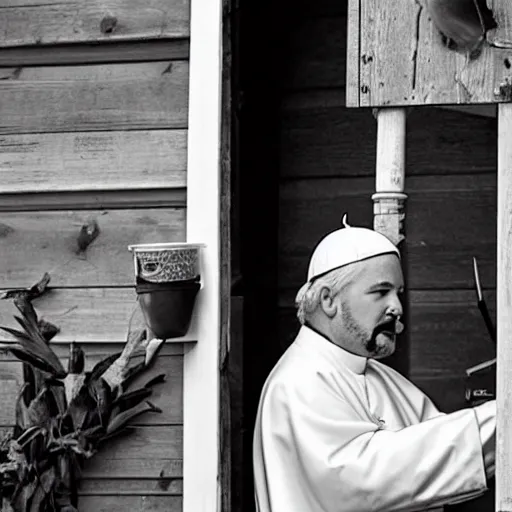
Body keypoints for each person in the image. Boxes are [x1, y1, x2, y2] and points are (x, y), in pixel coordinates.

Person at [253, 217, 496, 512]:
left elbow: (446, 467)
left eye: (398, 293)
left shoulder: (381, 375)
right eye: (381, 292)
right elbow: (369, 480)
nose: (397, 307)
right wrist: (501, 420)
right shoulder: (295, 384)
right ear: (329, 300)